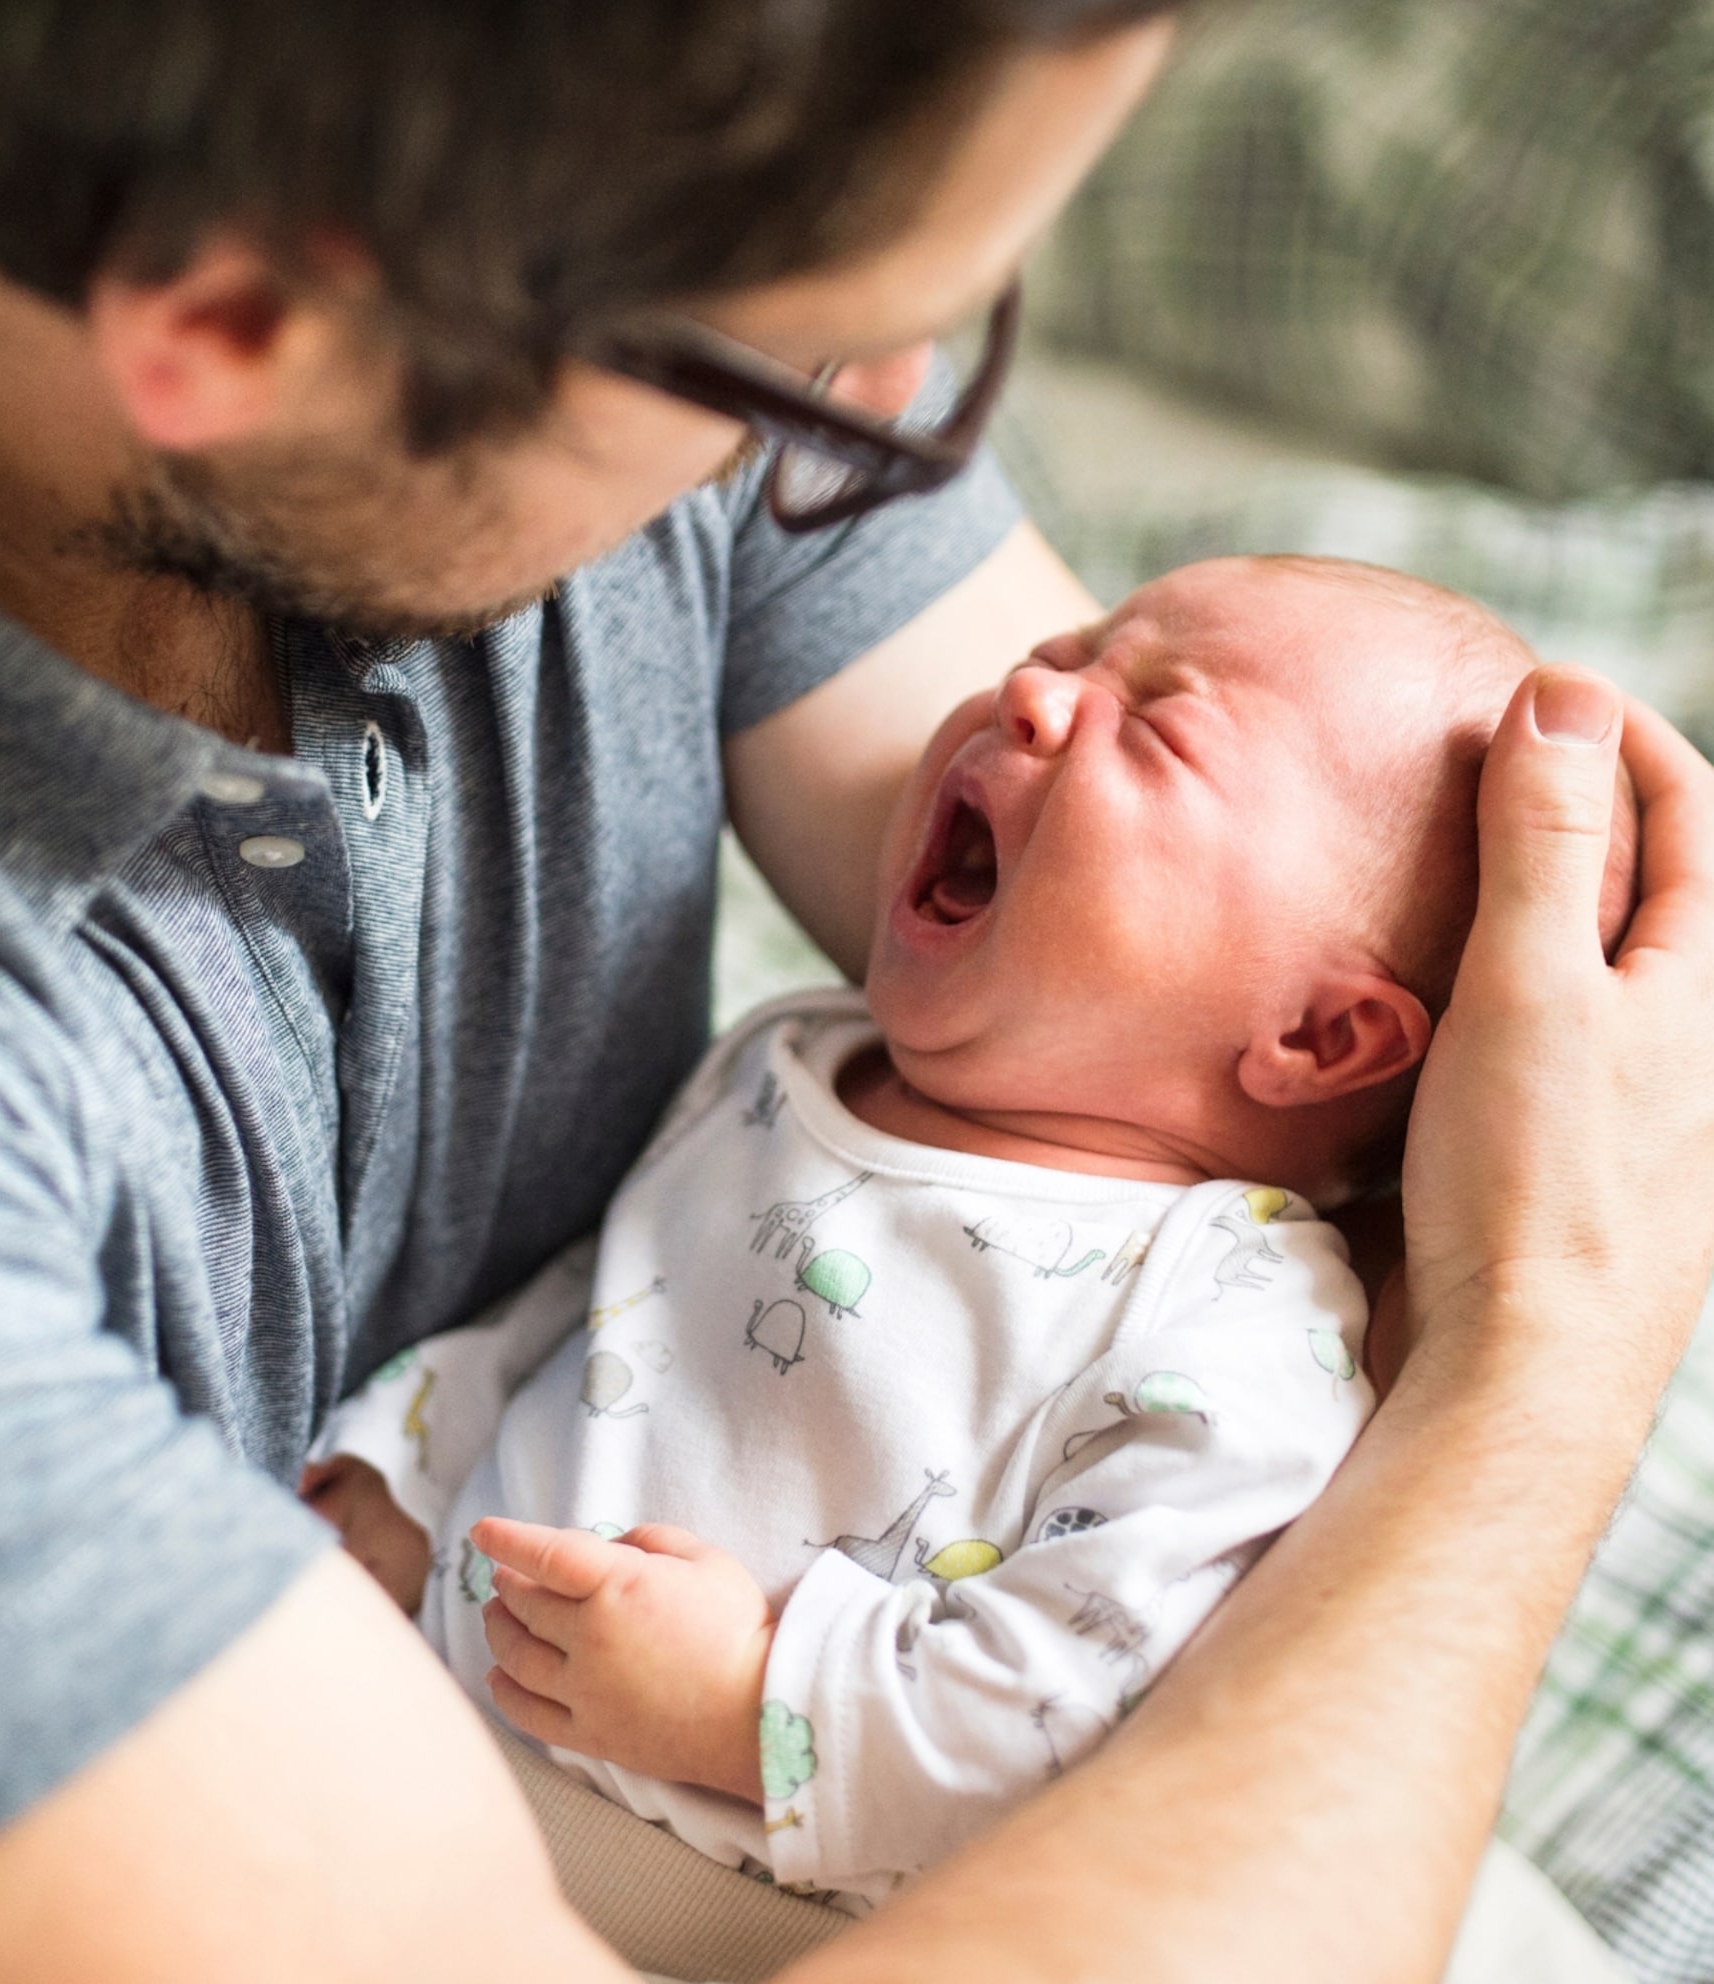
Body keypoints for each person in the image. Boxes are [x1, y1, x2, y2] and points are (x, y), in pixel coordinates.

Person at [0, 0, 1709, 1984]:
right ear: (233, 324)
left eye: (959, 304)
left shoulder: (563, 265)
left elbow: (1223, 947)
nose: (890, 416)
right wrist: (1540, 1356)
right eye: (806, 347)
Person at [318, 557, 1633, 1922]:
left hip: (749, 1913)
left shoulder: (1234, 1322)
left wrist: (751, 1697)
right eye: (1071, 648)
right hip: (424, 1743)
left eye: (1162, 728)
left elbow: (1081, 1713)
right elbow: (603, 1314)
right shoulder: (794, 1057)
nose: (1031, 693)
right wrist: (412, 1466)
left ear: (1316, 1036)